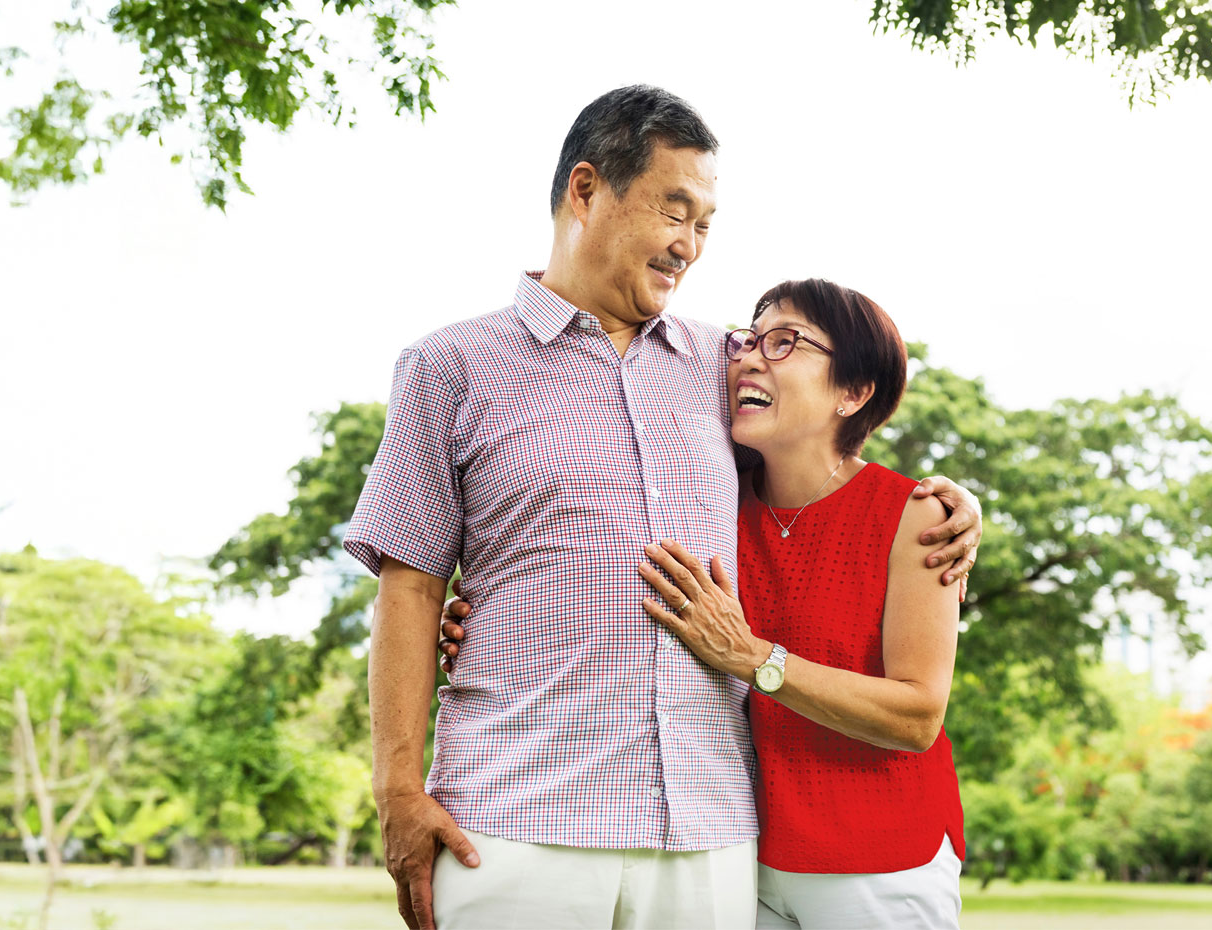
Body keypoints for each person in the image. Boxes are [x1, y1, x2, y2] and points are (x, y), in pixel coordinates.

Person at [346, 85, 981, 930]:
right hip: (513, 826)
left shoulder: (723, 363)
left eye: (706, 224)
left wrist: (953, 501)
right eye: (674, 211)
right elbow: (411, 585)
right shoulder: (449, 365)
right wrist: (396, 786)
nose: (689, 246)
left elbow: (821, 449)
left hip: (710, 843)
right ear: (585, 191)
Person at [637, 279, 965, 928]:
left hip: (882, 862)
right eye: (749, 341)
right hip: (743, 859)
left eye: (785, 342)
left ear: (853, 391)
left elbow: (917, 716)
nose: (751, 358)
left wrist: (753, 658)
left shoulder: (919, 514)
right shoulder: (713, 502)